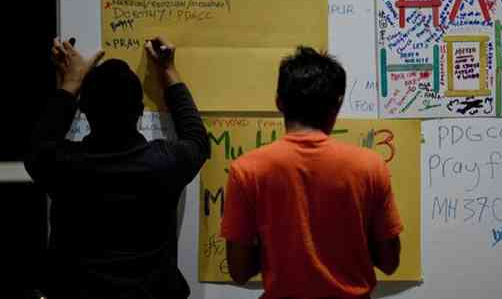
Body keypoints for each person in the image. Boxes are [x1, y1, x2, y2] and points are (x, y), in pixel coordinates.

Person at [24, 36, 209, 299]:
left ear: (85, 109)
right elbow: (198, 141)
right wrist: (168, 70)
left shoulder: (65, 166)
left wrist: (71, 82)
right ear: (139, 111)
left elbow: (38, 147)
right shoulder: (163, 163)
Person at [221, 47, 402, 298]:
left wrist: (279, 246)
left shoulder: (247, 170)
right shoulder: (370, 166)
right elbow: (390, 262)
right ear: (338, 102)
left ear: (279, 102)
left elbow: (239, 270)